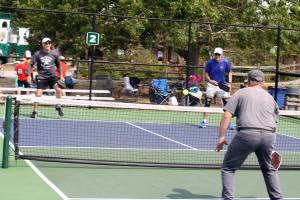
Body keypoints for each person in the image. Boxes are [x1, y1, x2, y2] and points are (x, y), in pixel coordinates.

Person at [215, 69, 283, 200]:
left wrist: (221, 138)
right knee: (269, 169)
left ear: (249, 81)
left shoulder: (241, 92)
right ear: (262, 82)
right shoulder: (270, 98)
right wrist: (270, 147)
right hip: (269, 136)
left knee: (228, 168)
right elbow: (273, 123)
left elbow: (226, 115)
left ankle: (228, 198)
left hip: (247, 134)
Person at [27, 37, 64, 118]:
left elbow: (59, 65)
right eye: (46, 43)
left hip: (52, 76)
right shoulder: (37, 54)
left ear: (51, 44)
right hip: (42, 77)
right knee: (38, 93)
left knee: (58, 90)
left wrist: (61, 75)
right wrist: (29, 75)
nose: (48, 44)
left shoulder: (55, 53)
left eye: (49, 43)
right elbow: (30, 64)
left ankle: (58, 105)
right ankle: (35, 111)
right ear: (42, 44)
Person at [199, 47, 233, 129]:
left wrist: (229, 83)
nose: (217, 55)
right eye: (216, 54)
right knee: (208, 102)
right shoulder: (210, 62)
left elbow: (230, 72)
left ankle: (228, 122)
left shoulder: (226, 62)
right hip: (211, 85)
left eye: (218, 54)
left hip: (222, 85)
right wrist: (210, 80)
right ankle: (204, 121)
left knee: (226, 104)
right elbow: (206, 73)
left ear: (222, 55)